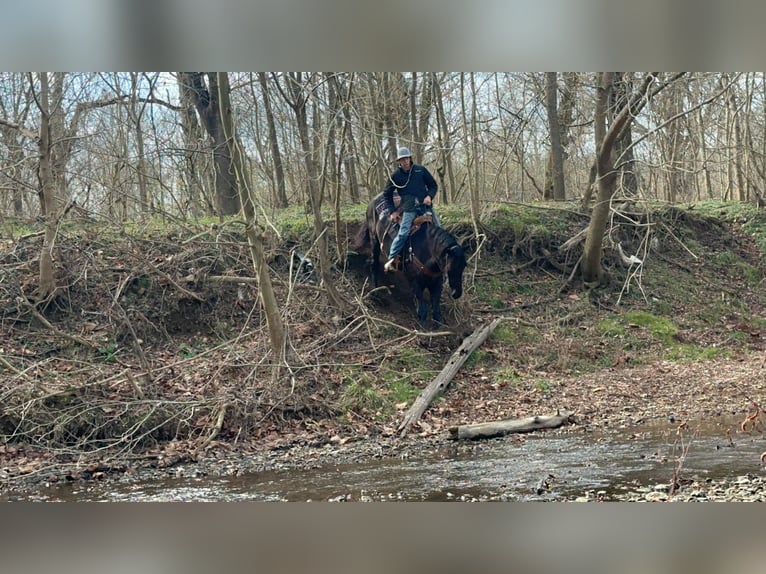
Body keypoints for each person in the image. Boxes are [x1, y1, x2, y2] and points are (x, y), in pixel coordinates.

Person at [382, 146, 441, 272]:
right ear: (399, 161)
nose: (405, 161)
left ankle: (443, 258)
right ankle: (392, 259)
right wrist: (392, 211)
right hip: (409, 208)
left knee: (439, 229)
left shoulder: (420, 170)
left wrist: (429, 196)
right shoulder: (396, 176)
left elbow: (433, 185)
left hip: (425, 206)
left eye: (407, 158)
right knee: (403, 233)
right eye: (402, 159)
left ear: (410, 158)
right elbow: (387, 194)